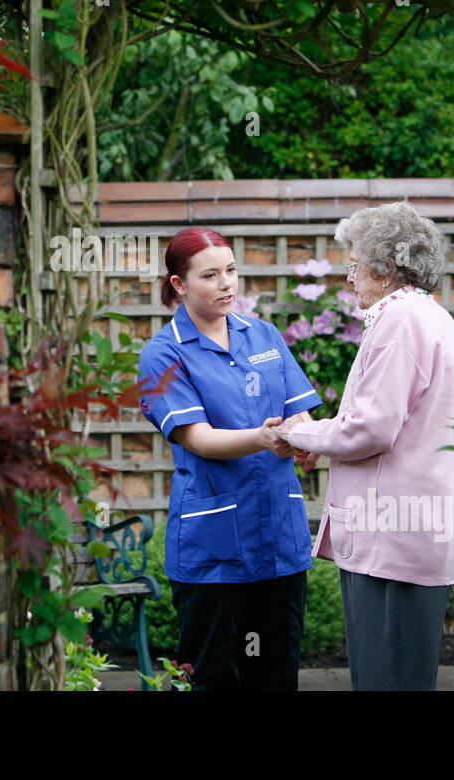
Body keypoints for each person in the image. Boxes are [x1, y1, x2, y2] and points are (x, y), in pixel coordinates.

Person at [271, 201, 454, 690]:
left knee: (386, 680)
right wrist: (323, 439)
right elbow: (384, 422)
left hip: (393, 539)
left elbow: (371, 430)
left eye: (354, 264)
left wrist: (293, 432)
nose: (348, 277)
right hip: (408, 534)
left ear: (385, 267)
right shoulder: (428, 317)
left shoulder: (401, 321)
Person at [137, 226, 323, 690]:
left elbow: (298, 411)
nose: (227, 285)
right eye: (211, 275)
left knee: (276, 677)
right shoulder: (163, 354)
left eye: (232, 271)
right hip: (213, 544)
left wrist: (304, 438)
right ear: (178, 285)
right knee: (213, 678)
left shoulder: (263, 336)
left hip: (278, 535)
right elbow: (197, 438)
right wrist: (264, 438)